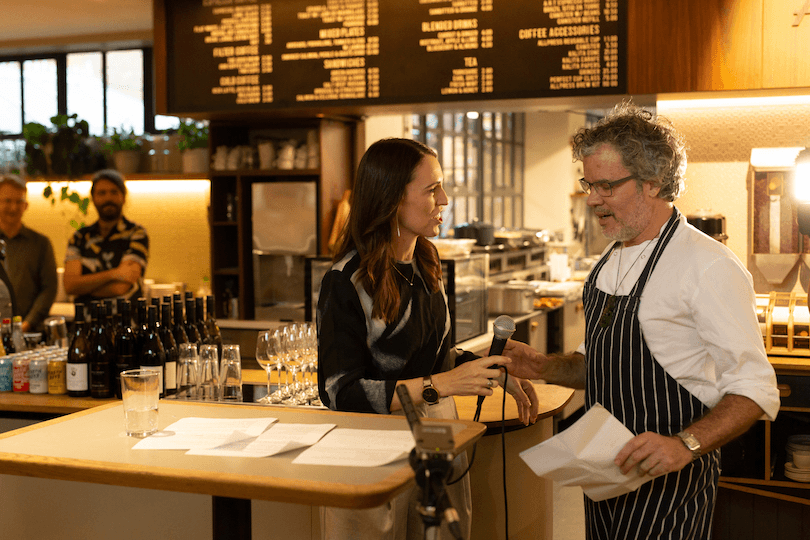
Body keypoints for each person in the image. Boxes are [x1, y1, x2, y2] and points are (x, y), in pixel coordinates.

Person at [502, 103, 780, 539]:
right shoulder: (610, 259)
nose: (592, 198)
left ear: (653, 182)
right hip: (605, 476)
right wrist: (544, 367)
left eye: (606, 185)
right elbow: (601, 364)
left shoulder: (707, 266)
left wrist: (684, 445)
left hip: (669, 485)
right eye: (588, 183)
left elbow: (754, 389)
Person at [317, 138, 538, 540]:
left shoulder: (426, 262)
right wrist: (444, 385)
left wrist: (488, 367)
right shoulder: (344, 281)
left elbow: (432, 358)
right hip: (370, 454)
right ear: (390, 199)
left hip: (434, 439)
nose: (446, 199)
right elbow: (338, 392)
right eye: (432, 189)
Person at [63, 169, 149, 307]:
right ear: (93, 198)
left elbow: (120, 288)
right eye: (102, 193)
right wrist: (115, 273)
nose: (108, 198)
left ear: (123, 196)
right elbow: (69, 286)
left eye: (114, 192)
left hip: (126, 323)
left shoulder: (136, 234)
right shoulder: (79, 237)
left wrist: (83, 288)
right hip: (85, 324)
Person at [0, 174, 57, 332]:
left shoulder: (41, 243)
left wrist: (26, 324)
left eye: (19, 201)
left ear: (26, 205)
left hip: (31, 333)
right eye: (7, 201)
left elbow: (49, 289)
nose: (13, 207)